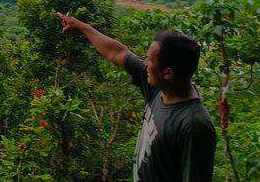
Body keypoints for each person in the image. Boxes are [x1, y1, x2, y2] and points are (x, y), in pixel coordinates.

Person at [55, 12, 216, 182]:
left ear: (168, 73)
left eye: (150, 60)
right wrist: (80, 26)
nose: (145, 63)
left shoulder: (193, 125)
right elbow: (117, 53)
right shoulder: (158, 87)